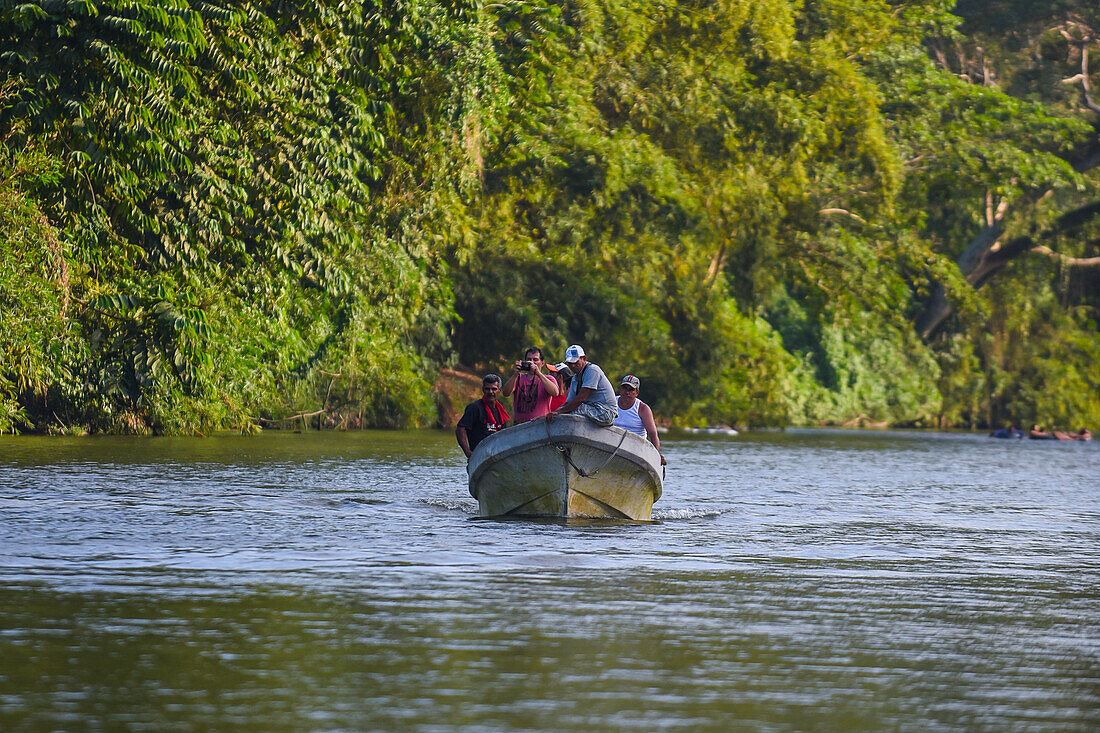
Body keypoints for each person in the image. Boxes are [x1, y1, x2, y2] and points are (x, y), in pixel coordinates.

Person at [546, 344, 618, 426]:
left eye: (575, 362)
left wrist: (559, 412)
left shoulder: (592, 370)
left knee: (571, 410)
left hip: (606, 412)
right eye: (570, 363)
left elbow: (581, 398)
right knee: (565, 410)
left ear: (583, 358)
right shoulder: (575, 378)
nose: (573, 366)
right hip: (592, 408)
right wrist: (552, 413)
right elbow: (568, 403)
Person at [613, 374, 666, 464]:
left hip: (636, 449)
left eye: (631, 390)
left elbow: (653, 434)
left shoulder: (643, 409)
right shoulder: (611, 402)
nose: (627, 392)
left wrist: (655, 455)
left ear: (636, 392)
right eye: (625, 388)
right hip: (612, 444)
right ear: (620, 389)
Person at [455, 374, 511, 459]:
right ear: (483, 390)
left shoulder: (500, 411)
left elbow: (503, 436)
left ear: (499, 390)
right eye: (487, 389)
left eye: (494, 389)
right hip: (479, 456)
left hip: (496, 455)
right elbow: (460, 429)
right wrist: (468, 453)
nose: (490, 392)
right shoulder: (475, 407)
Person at [501, 346, 560, 424]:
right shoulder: (518, 378)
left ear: (542, 363)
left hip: (540, 424)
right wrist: (515, 374)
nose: (532, 362)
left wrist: (538, 374)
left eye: (535, 360)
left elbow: (555, 393)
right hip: (520, 425)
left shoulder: (548, 379)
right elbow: (506, 393)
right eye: (529, 360)